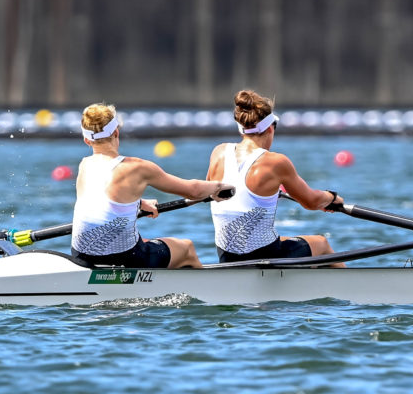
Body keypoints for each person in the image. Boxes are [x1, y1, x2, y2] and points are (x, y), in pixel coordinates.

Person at [71, 103, 233, 269]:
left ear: (86, 140)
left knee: (144, 241)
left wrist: (139, 203)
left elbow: (101, 203)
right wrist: (218, 186)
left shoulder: (85, 165)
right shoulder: (137, 167)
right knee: (187, 248)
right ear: (116, 132)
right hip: (125, 258)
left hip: (81, 256)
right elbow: (193, 191)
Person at [206, 89, 343, 265]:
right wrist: (331, 197)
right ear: (270, 128)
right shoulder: (276, 162)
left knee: (281, 238)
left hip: (227, 258)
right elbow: (312, 201)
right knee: (321, 244)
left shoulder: (219, 152)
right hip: (265, 257)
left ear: (242, 131)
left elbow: (210, 192)